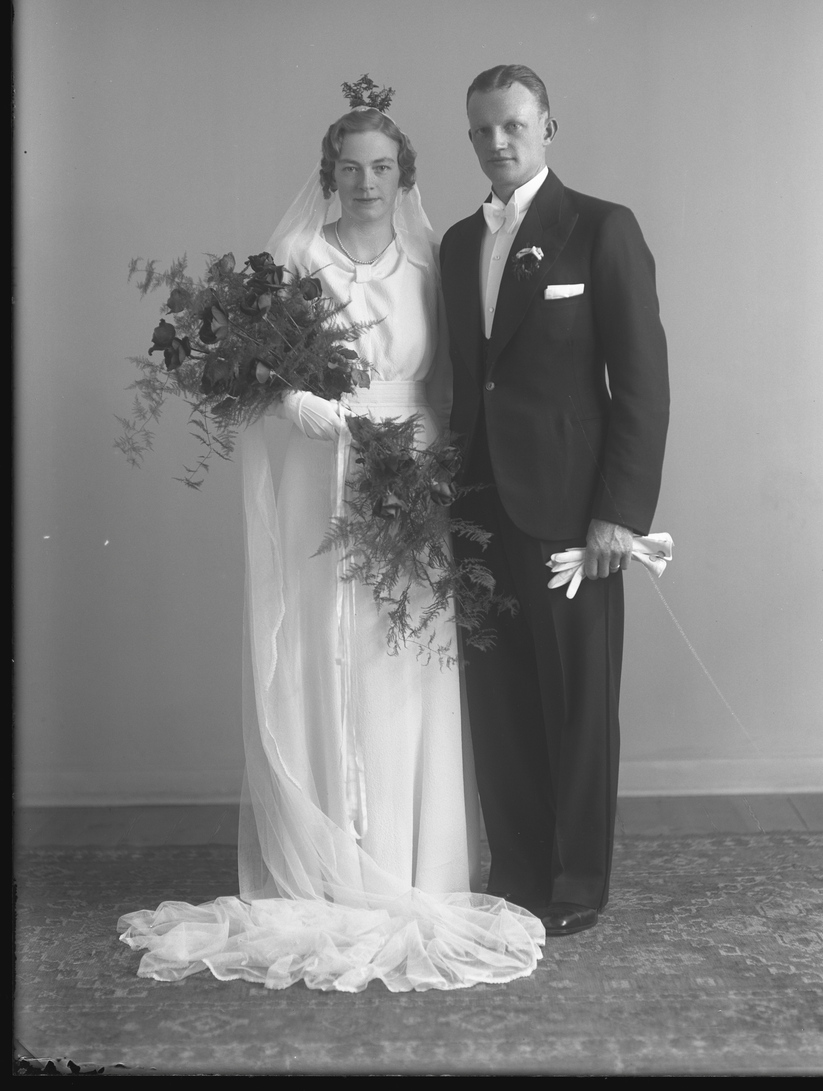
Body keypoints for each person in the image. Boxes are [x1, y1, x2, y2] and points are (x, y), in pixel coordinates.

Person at [117, 96, 544, 992]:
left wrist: (434, 469)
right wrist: (296, 403)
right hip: (322, 474)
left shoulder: (434, 259)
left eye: (382, 167)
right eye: (350, 167)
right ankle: (330, 866)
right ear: (329, 175)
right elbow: (248, 372)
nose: (366, 182)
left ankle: (411, 864)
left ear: (404, 176)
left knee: (402, 655)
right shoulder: (296, 260)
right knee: (326, 652)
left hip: (411, 474)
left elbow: (457, 377)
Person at [440, 65, 670, 937]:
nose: (497, 142)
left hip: (574, 515)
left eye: (513, 124)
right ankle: (517, 871)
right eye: (482, 129)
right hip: (475, 506)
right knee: (498, 702)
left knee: (577, 701)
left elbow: (643, 385)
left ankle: (577, 883)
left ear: (548, 127)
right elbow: (471, 382)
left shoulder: (603, 228)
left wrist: (620, 513)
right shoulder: (460, 242)